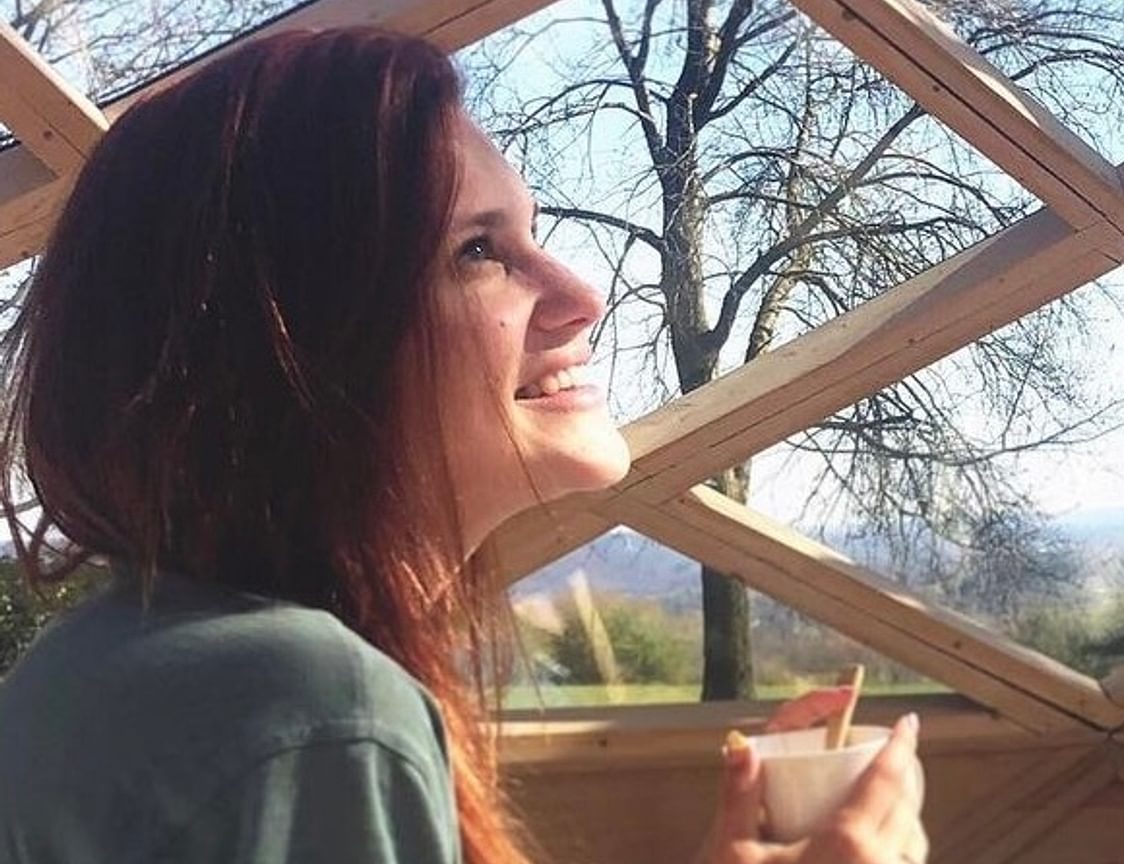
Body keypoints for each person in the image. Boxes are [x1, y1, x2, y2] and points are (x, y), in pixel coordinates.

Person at [0, 26, 926, 864]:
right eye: (478, 251)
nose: (583, 296)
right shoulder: (306, 712)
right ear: (296, 342)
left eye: (534, 233)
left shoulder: (89, 669)